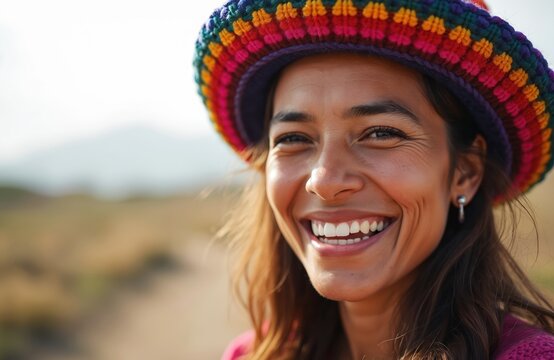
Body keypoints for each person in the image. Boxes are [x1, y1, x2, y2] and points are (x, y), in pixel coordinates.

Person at [193, 0, 554, 358]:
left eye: (381, 133)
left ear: (466, 172)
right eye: (293, 138)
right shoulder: (252, 354)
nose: (325, 180)